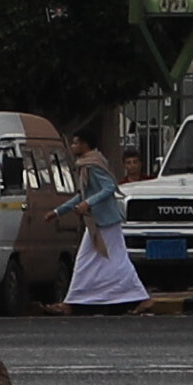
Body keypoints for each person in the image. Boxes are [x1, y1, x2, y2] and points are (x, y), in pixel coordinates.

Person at [60, 128, 146, 311]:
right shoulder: (86, 164)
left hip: (105, 221)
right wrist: (58, 211)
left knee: (92, 260)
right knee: (104, 260)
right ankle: (76, 300)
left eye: (75, 143)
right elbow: (83, 194)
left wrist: (87, 203)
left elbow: (109, 188)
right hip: (98, 221)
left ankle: (71, 302)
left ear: (84, 144)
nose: (73, 146)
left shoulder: (93, 164)